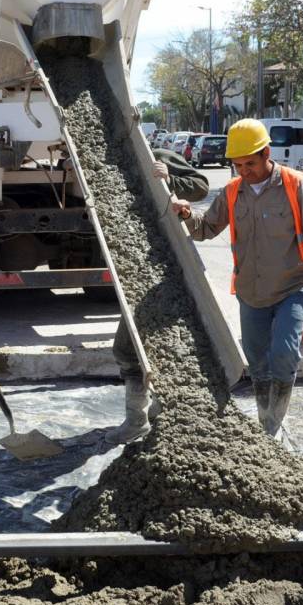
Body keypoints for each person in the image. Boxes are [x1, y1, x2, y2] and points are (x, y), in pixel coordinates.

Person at [172, 119, 303, 438]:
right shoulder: (233, 192)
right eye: (237, 165)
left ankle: (272, 425)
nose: (243, 171)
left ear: (266, 153)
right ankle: (266, 415)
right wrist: (185, 214)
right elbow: (206, 228)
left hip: (292, 287)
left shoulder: (296, 186)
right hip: (251, 292)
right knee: (257, 361)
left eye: (249, 163)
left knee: (284, 353)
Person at [105, 148, 210, 445]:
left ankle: (141, 419)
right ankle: (153, 415)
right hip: (134, 267)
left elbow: (200, 185)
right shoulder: (108, 166)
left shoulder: (157, 153)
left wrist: (170, 178)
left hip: (165, 268)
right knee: (139, 347)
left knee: (131, 347)